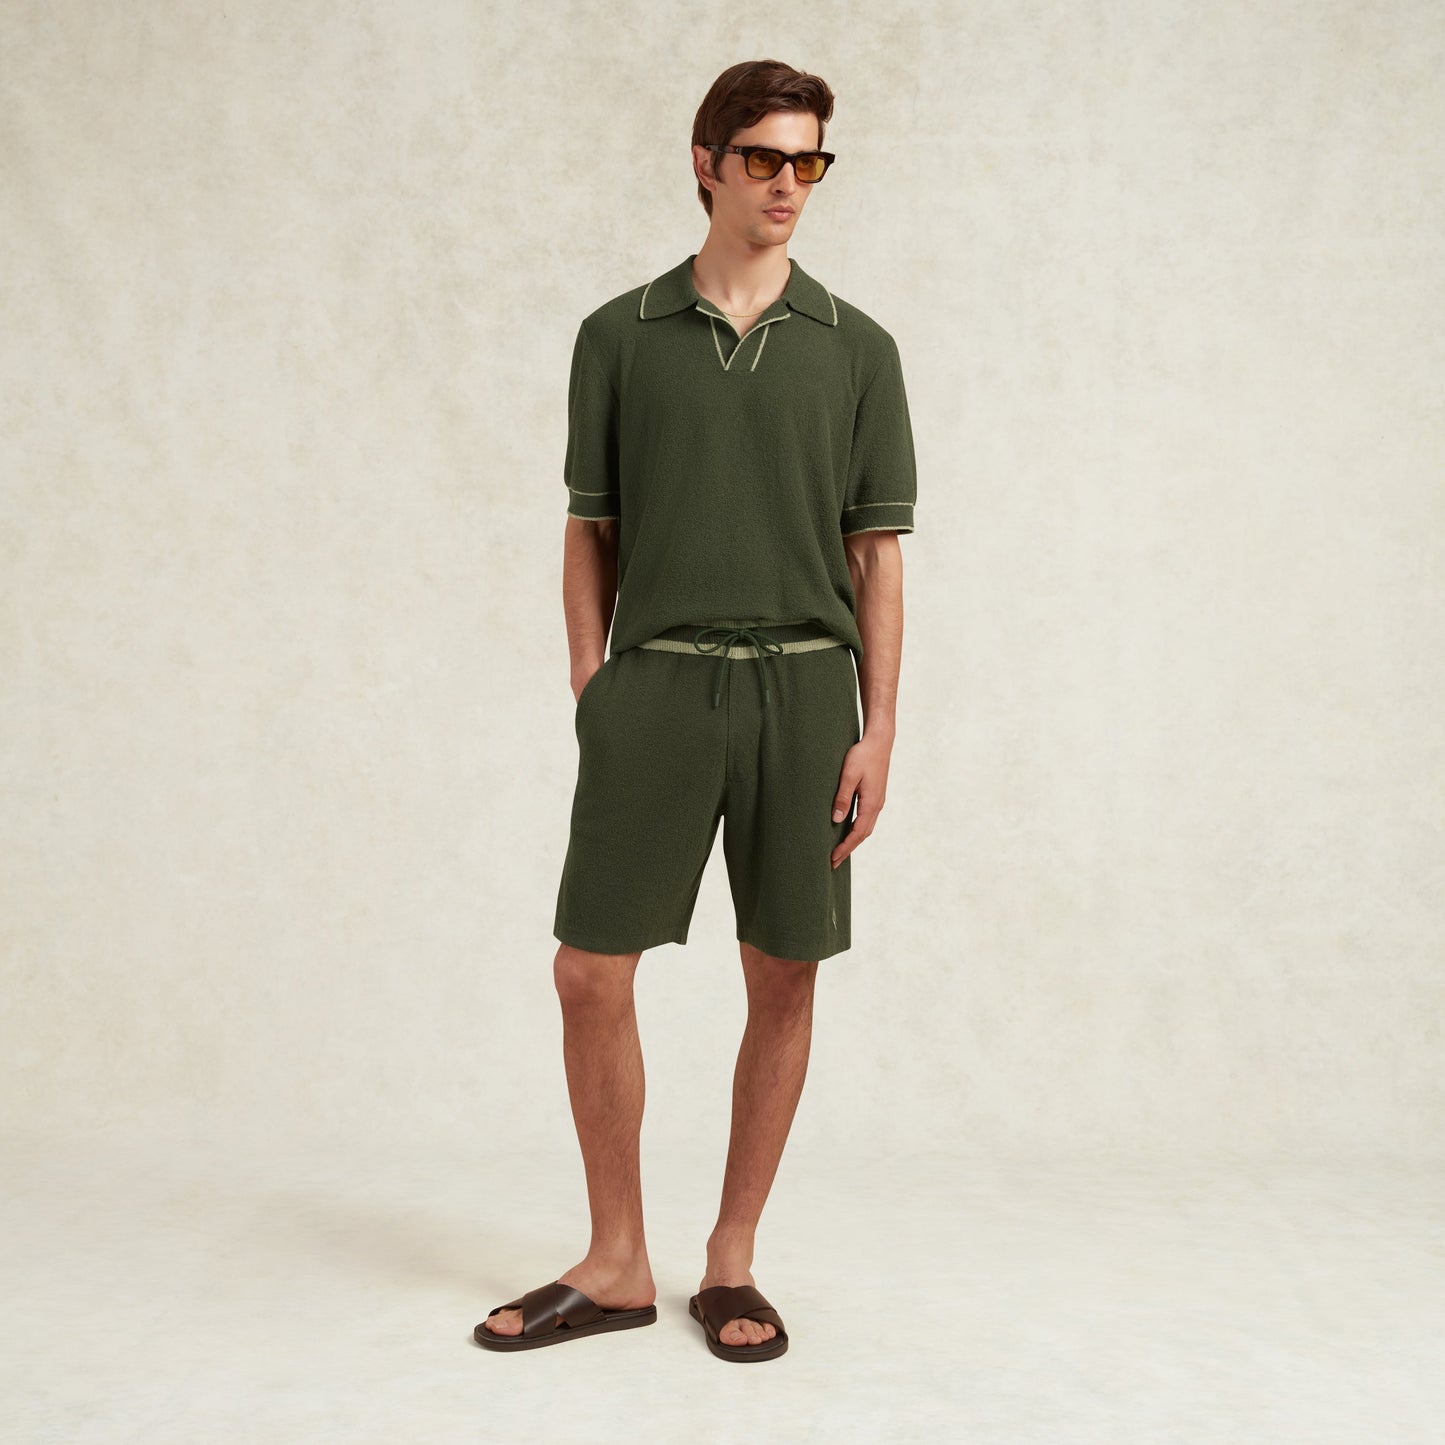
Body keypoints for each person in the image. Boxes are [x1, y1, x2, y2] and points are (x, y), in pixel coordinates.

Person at [476, 58, 916, 1362]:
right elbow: (589, 523)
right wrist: (591, 679)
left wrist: (878, 728)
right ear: (705, 160)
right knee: (587, 970)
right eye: (764, 157)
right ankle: (617, 1259)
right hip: (656, 683)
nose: (788, 183)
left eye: (808, 161)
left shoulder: (857, 349)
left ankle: (730, 1260)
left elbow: (876, 555)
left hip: (805, 688)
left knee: (782, 970)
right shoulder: (618, 336)